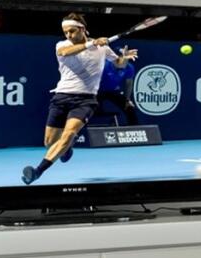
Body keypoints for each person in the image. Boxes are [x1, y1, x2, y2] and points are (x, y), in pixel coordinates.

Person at [21, 14, 138, 185]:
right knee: (49, 142)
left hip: (86, 100)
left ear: (82, 29)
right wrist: (92, 43)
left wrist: (124, 59)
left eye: (72, 31)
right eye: (65, 32)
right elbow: (65, 52)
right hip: (61, 97)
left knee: (69, 134)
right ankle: (66, 149)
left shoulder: (103, 49)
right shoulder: (62, 45)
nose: (68, 35)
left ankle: (38, 171)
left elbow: (118, 63)